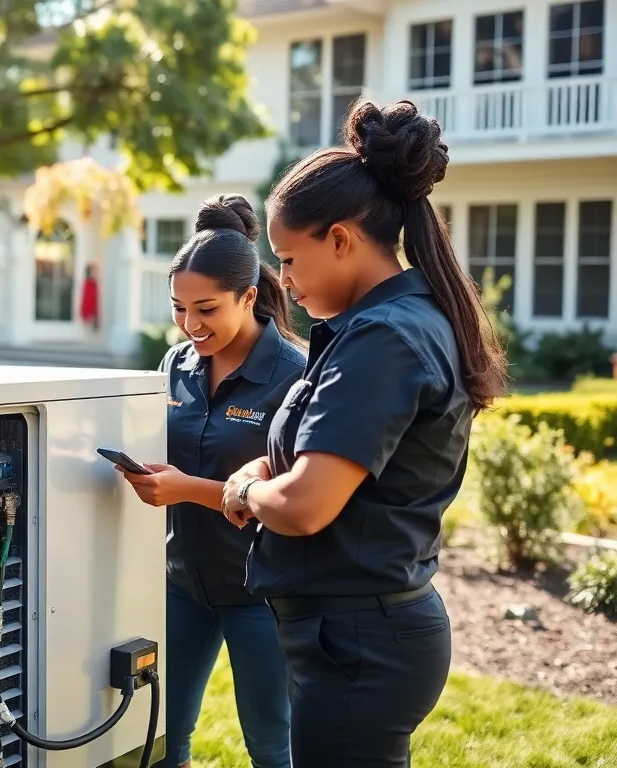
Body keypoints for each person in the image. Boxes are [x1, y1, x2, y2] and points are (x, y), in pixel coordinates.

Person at [220, 99, 509, 766]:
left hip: (360, 644)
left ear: (342, 239)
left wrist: (244, 492)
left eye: (289, 260)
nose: (282, 282)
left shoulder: (383, 338)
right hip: (358, 636)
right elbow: (314, 455)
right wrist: (264, 472)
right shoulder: (388, 323)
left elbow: (305, 505)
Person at [119, 195, 301, 768]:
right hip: (180, 586)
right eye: (178, 309)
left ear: (248, 297)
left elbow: (298, 491)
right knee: (160, 737)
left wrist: (187, 489)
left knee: (272, 745)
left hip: (262, 593)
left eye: (206, 309)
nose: (190, 325)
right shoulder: (175, 365)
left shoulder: (295, 375)